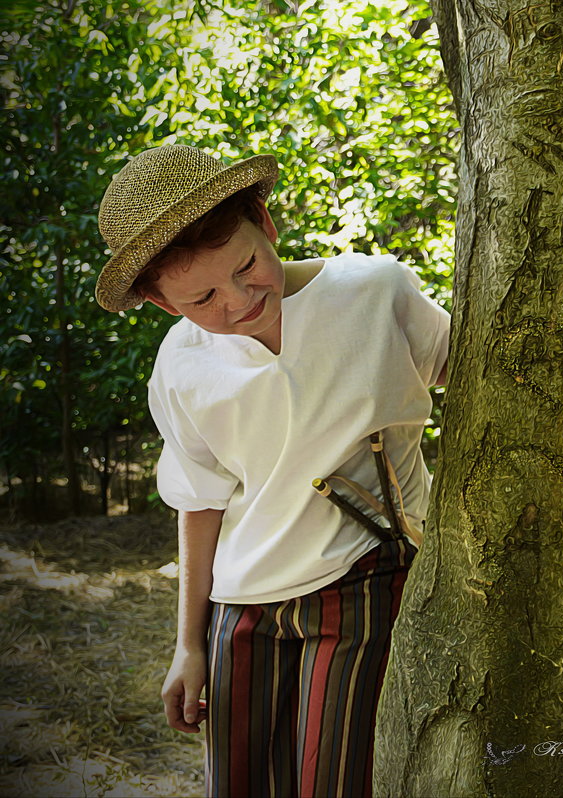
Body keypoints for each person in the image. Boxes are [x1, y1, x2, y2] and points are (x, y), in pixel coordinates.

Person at [94, 144, 450, 797]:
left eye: (248, 264)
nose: (239, 298)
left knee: (333, 783)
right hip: (241, 611)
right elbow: (200, 503)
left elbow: (477, 374)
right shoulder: (182, 367)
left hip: (362, 585)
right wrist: (190, 644)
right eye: (202, 297)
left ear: (267, 222)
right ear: (161, 303)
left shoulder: (374, 294)